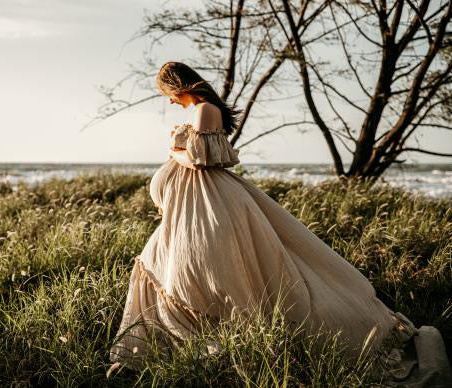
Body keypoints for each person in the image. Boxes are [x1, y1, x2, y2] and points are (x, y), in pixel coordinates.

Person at [108, 61, 451, 386]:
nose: (169, 100)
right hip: (196, 203)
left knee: (202, 269)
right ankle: (158, 348)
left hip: (207, 201)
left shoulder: (202, 110)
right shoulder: (199, 111)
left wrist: (174, 152)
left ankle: (208, 337)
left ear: (177, 85)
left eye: (169, 92)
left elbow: (201, 159)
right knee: (165, 263)